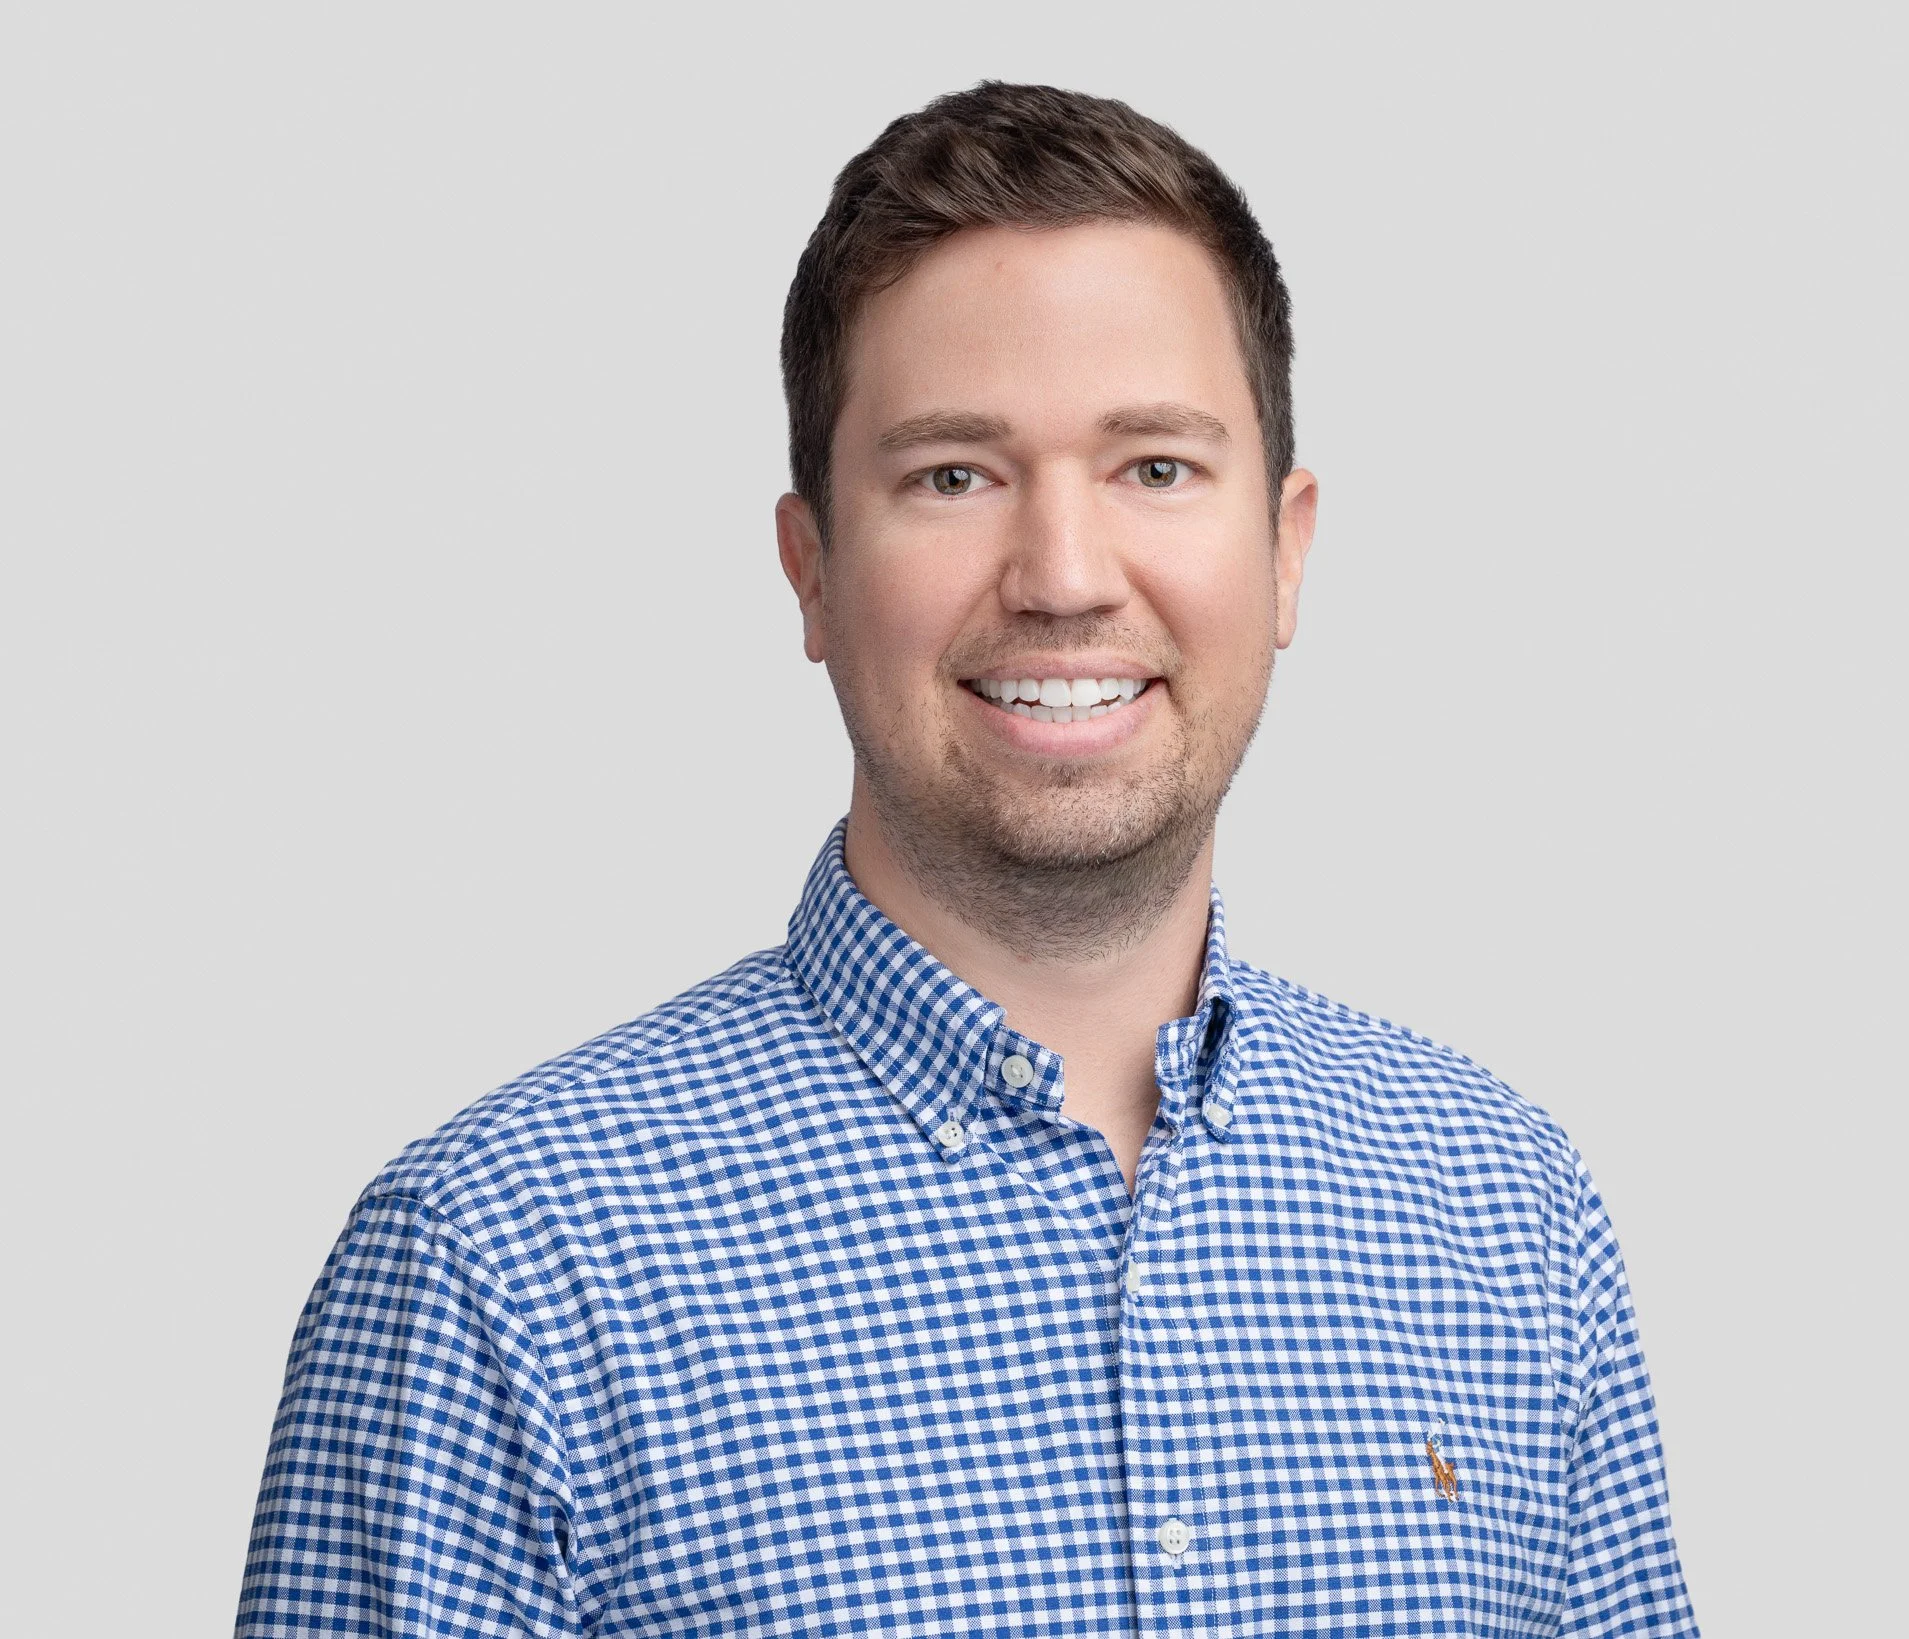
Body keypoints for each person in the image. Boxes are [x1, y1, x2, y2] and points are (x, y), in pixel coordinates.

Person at [238, 82, 1696, 1636]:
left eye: (1154, 467)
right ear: (810, 571)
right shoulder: (497, 1269)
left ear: (1286, 550)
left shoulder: (1507, 1209)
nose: (1064, 577)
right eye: (953, 473)